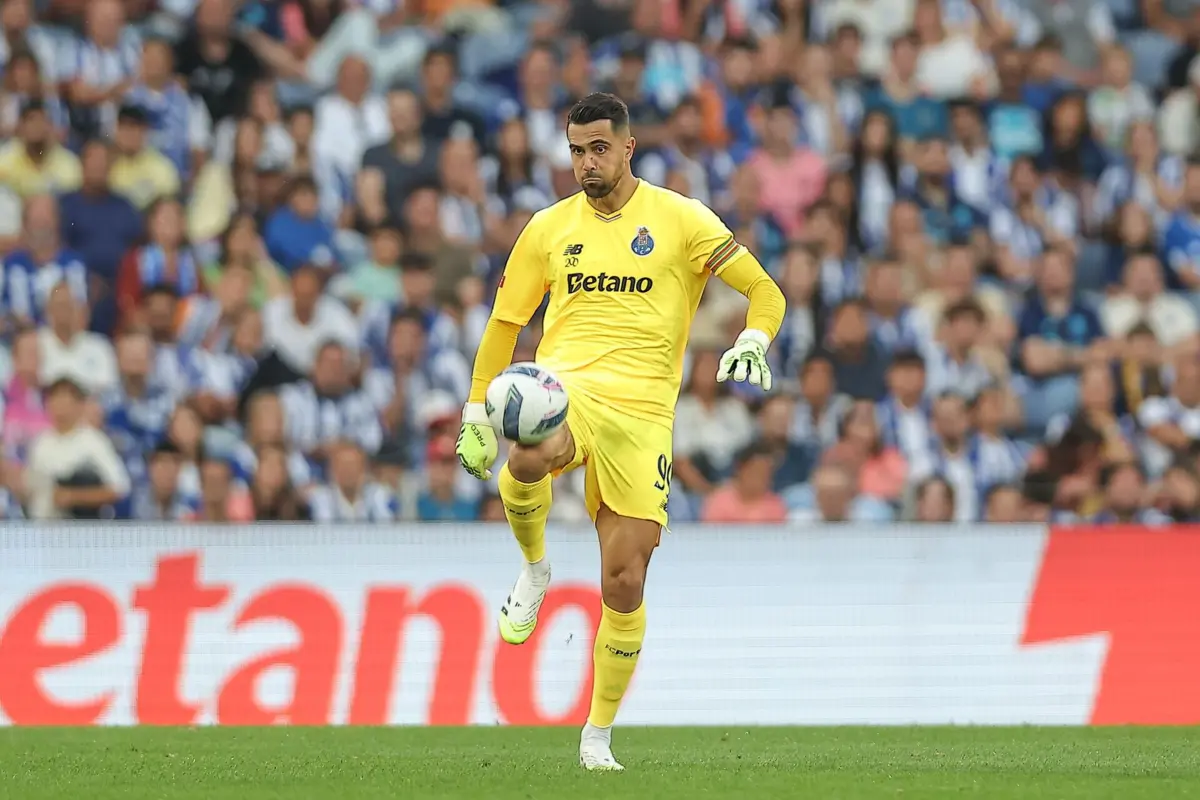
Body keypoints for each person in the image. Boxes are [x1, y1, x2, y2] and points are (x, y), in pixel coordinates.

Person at [454, 92, 785, 770]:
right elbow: (505, 326)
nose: (585, 163)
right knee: (527, 454)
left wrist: (756, 336)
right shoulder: (547, 227)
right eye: (575, 151)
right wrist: (472, 410)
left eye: (598, 148)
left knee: (625, 579)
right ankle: (535, 565)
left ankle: (596, 736)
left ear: (628, 147)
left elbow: (766, 291)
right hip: (566, 389)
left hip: (643, 417)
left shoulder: (681, 219)